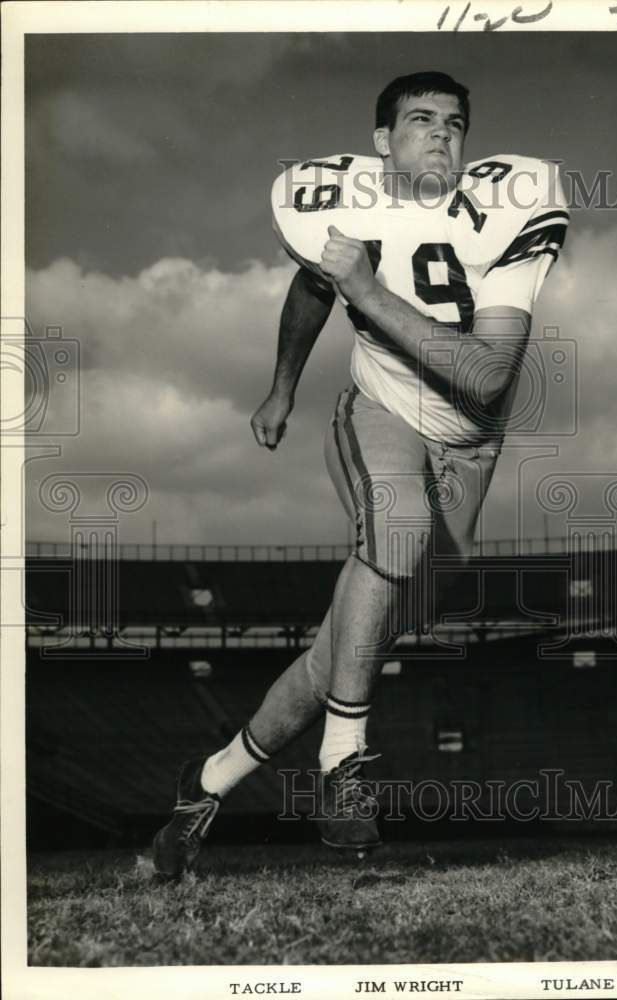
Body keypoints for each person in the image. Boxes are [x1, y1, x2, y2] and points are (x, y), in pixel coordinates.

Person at [153, 71, 569, 878]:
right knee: (397, 529)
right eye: (419, 121)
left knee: (350, 641)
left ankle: (207, 781)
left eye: (454, 123)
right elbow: (313, 288)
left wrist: (365, 288)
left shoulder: (510, 207)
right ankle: (345, 763)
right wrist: (282, 387)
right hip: (376, 409)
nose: (440, 136)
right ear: (382, 141)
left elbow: (484, 377)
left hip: (470, 441)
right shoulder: (342, 198)